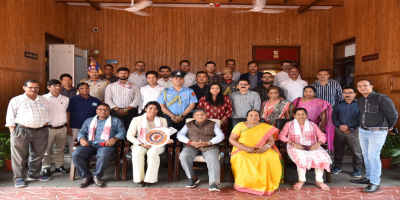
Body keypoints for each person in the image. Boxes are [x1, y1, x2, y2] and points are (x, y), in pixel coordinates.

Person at [351, 79, 398, 193]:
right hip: (363, 131)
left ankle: (375, 182)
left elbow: (393, 114)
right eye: (360, 86)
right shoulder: (360, 100)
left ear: (371, 86)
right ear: (357, 89)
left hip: (377, 132)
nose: (363, 88)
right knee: (366, 156)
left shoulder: (382, 98)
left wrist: (389, 127)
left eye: (365, 85)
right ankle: (369, 177)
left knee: (373, 156)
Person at [6, 79, 50, 187]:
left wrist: (45, 126)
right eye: (30, 87)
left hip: (40, 131)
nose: (34, 89)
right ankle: (19, 178)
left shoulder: (43, 99)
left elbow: (47, 113)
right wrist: (13, 132)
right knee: (19, 156)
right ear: (24, 88)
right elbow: (10, 117)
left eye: (36, 87)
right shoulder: (16, 100)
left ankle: (34, 174)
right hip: (22, 131)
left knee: (38, 154)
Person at [72, 103, 126, 188]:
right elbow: (82, 132)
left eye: (106, 109)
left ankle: (97, 176)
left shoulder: (116, 121)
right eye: (100, 109)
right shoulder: (89, 120)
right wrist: (82, 139)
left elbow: (122, 132)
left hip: (105, 145)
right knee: (76, 154)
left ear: (109, 111)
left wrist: (114, 139)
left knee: (103, 155)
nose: (103, 111)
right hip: (89, 144)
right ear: (96, 111)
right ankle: (87, 176)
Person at [229, 110, 282, 196]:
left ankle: (266, 184)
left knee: (272, 157)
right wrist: (245, 148)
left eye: (256, 115)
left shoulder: (265, 127)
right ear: (247, 117)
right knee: (243, 158)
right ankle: (245, 184)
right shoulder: (240, 125)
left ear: (259, 117)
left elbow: (271, 141)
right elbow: (232, 139)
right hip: (242, 149)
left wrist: (266, 147)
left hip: (262, 148)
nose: (253, 117)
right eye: (251, 115)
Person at [279, 108, 332, 191]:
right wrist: (293, 143)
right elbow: (281, 136)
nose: (301, 116)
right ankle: (301, 180)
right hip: (294, 146)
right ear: (294, 115)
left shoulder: (312, 124)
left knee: (321, 157)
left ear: (306, 115)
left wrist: (318, 144)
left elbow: (322, 136)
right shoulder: (289, 124)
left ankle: (319, 180)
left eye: (303, 114)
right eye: (298, 114)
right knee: (301, 157)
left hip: (312, 146)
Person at [177, 108, 225, 191]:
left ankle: (214, 183)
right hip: (192, 146)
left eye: (202, 114)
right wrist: (189, 142)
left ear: (206, 115)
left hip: (209, 146)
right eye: (197, 115)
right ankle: (193, 178)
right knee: (184, 156)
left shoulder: (213, 124)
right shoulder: (188, 124)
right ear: (194, 116)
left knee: (213, 158)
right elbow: (179, 135)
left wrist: (209, 142)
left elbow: (221, 136)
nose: (200, 116)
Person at [127, 101, 173, 186]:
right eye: (150, 108)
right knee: (137, 152)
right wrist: (141, 144)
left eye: (156, 109)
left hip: (157, 145)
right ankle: (139, 179)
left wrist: (168, 140)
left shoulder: (163, 120)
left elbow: (165, 135)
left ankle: (149, 179)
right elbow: (129, 136)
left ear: (158, 111)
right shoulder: (136, 119)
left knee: (152, 153)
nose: (153, 110)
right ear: (145, 109)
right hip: (141, 143)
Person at [331, 87, 362, 178]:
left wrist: (349, 127)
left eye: (350, 92)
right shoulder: (338, 104)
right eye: (345, 93)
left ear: (355, 94)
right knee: (338, 149)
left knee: (356, 151)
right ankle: (337, 166)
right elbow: (334, 117)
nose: (347, 95)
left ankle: (357, 168)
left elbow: (360, 118)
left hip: (354, 131)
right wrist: (340, 126)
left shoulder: (359, 104)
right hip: (339, 130)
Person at [42, 79, 70, 177]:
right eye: (54, 86)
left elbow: (67, 113)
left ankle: (59, 166)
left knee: (60, 148)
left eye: (59, 86)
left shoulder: (65, 99)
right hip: (48, 128)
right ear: (48, 87)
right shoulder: (43, 98)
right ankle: (46, 167)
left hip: (62, 127)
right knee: (46, 149)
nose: (58, 88)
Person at [67, 82, 102, 154]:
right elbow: (68, 113)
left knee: (89, 145)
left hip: (91, 127)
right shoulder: (72, 100)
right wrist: (68, 126)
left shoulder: (95, 100)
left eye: (86, 88)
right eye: (82, 88)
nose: (85, 90)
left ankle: (86, 163)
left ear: (89, 89)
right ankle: (73, 164)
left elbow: (100, 114)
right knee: (73, 145)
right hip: (75, 126)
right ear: (78, 90)